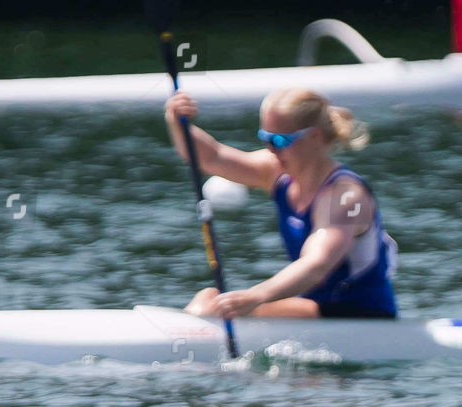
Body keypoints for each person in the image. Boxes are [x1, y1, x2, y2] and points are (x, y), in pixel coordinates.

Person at [163, 87, 397, 319]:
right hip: (313, 304)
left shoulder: (346, 196)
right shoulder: (277, 172)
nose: (270, 149)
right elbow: (213, 157)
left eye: (279, 140)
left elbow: (317, 265)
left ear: (314, 136)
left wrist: (255, 296)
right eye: (265, 138)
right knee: (210, 297)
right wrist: (178, 123)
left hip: (362, 312)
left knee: (215, 307)